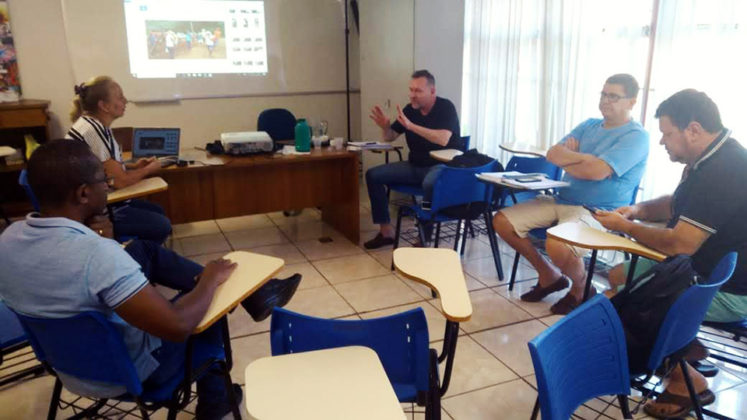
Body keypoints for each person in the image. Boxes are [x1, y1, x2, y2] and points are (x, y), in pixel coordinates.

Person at [0, 140, 301, 419]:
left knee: (143, 250)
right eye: (103, 181)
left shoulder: (8, 240)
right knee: (210, 302)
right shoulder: (98, 255)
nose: (108, 186)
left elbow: (66, 273)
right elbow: (177, 326)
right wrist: (208, 280)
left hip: (64, 366)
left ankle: (258, 295)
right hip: (130, 373)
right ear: (83, 194)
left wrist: (90, 236)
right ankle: (216, 399)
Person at [592, 89, 747, 418]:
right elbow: (676, 204)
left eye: (667, 134)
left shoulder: (725, 169)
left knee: (625, 299)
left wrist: (626, 226)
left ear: (693, 129)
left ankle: (684, 380)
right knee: (620, 274)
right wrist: (635, 210)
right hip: (700, 269)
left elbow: (680, 243)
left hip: (728, 288)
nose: (662, 141)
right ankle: (682, 350)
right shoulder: (707, 160)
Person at [493, 73, 649, 314]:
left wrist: (576, 160)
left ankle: (581, 288)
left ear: (632, 102)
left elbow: (597, 172)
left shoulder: (637, 137)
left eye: (614, 96)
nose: (606, 101)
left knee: (558, 244)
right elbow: (553, 153)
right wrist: (584, 160)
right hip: (562, 198)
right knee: (502, 222)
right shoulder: (588, 125)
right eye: (604, 94)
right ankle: (549, 275)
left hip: (599, 211)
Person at [66, 76, 171, 244]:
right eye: (120, 97)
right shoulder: (94, 131)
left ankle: (142, 255)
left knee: (157, 211)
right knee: (161, 225)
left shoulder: (93, 125)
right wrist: (149, 169)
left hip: (99, 201)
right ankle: (134, 258)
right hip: (97, 213)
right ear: (104, 106)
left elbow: (106, 171)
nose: (125, 101)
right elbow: (119, 182)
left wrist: (131, 166)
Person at [364, 69, 461, 249]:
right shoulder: (410, 110)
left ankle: (424, 237)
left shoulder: (445, 107)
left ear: (432, 91)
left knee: (430, 183)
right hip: (415, 165)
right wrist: (385, 127)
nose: (412, 95)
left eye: (418, 91)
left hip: (442, 168)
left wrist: (411, 126)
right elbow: (390, 136)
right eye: (411, 90)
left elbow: (443, 139)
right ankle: (386, 232)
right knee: (373, 175)